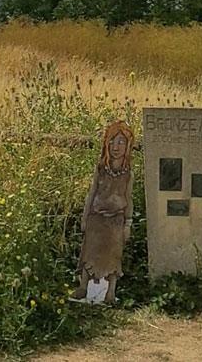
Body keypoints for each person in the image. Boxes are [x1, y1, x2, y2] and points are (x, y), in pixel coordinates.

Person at [73, 121, 134, 303]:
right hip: (97, 217)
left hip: (116, 219)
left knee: (114, 254)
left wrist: (128, 224)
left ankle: (111, 291)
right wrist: (85, 216)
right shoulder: (101, 169)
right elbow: (92, 193)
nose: (116, 147)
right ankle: (83, 285)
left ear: (128, 146)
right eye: (112, 142)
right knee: (89, 251)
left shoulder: (128, 173)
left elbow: (128, 198)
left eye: (121, 142)